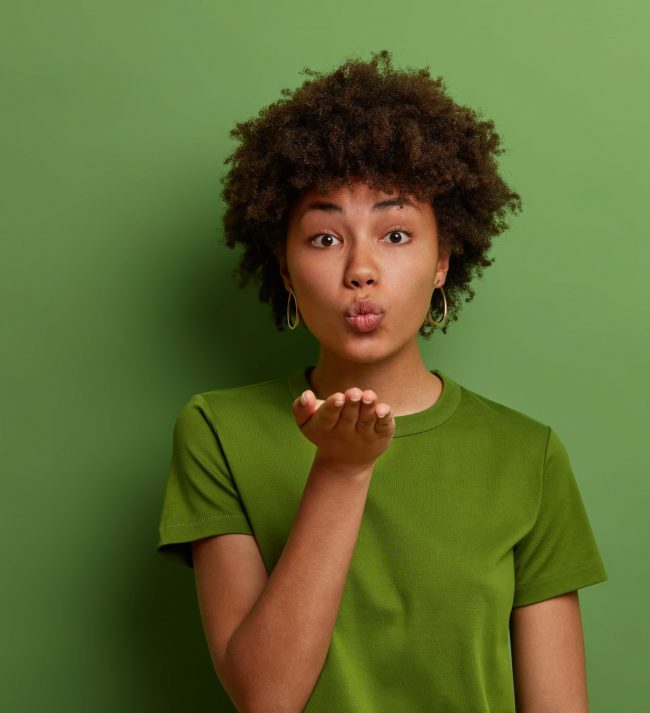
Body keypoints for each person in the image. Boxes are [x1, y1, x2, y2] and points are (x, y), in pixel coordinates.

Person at [156, 49, 608, 713]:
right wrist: (341, 470)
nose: (362, 270)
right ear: (283, 269)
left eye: (395, 234)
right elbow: (265, 695)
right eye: (323, 238)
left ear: (442, 261)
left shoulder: (527, 456)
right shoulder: (218, 431)